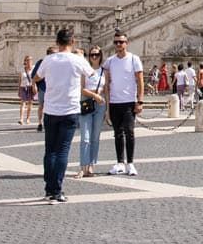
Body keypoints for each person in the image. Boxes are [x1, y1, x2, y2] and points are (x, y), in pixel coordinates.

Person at [34, 31, 101, 202]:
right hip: (70, 110)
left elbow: (36, 77)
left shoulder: (49, 59)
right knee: (62, 150)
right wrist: (80, 56)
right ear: (73, 41)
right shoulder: (77, 59)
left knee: (50, 151)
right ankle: (57, 190)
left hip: (50, 110)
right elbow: (92, 74)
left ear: (57, 42)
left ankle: (49, 189)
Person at [103, 31, 144, 175]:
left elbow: (140, 81)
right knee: (118, 133)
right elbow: (107, 85)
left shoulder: (134, 59)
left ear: (127, 43)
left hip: (129, 102)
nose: (118, 44)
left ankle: (130, 163)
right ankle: (120, 162)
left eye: (121, 42)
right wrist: (107, 107)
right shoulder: (109, 61)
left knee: (130, 132)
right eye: (116, 42)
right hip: (114, 102)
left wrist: (140, 101)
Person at [77, 46, 107, 178]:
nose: (94, 57)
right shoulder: (84, 70)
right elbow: (81, 88)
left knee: (95, 137)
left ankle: (91, 166)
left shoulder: (105, 71)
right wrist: (94, 95)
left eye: (96, 55)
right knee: (86, 137)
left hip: (100, 105)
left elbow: (107, 90)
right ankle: (83, 166)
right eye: (92, 55)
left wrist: (108, 110)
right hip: (86, 103)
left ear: (101, 56)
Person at [34, 44, 55, 132]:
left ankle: (49, 123)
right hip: (43, 88)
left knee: (51, 106)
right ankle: (40, 123)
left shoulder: (57, 63)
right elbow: (34, 76)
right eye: (53, 53)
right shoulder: (41, 62)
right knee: (41, 106)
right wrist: (34, 85)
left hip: (53, 88)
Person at [18, 55, 37, 126]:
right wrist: (19, 90)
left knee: (30, 104)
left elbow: (35, 78)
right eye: (27, 60)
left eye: (29, 60)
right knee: (22, 103)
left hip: (30, 87)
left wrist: (35, 87)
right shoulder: (22, 69)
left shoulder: (34, 69)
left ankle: (28, 118)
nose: (28, 61)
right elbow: (20, 80)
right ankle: (21, 119)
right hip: (23, 87)